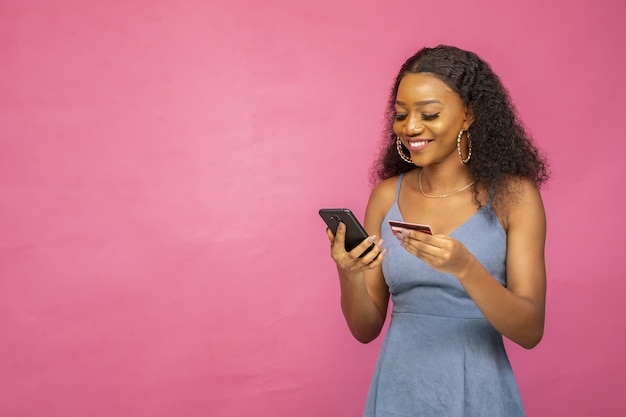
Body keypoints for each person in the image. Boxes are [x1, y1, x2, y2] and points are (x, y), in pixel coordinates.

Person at [326, 45, 549, 416]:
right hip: (399, 389)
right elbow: (365, 330)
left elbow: (530, 331)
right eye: (401, 114)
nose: (411, 127)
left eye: (429, 114)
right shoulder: (386, 196)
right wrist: (348, 273)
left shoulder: (515, 197)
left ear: (468, 115)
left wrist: (466, 267)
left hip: (479, 389)